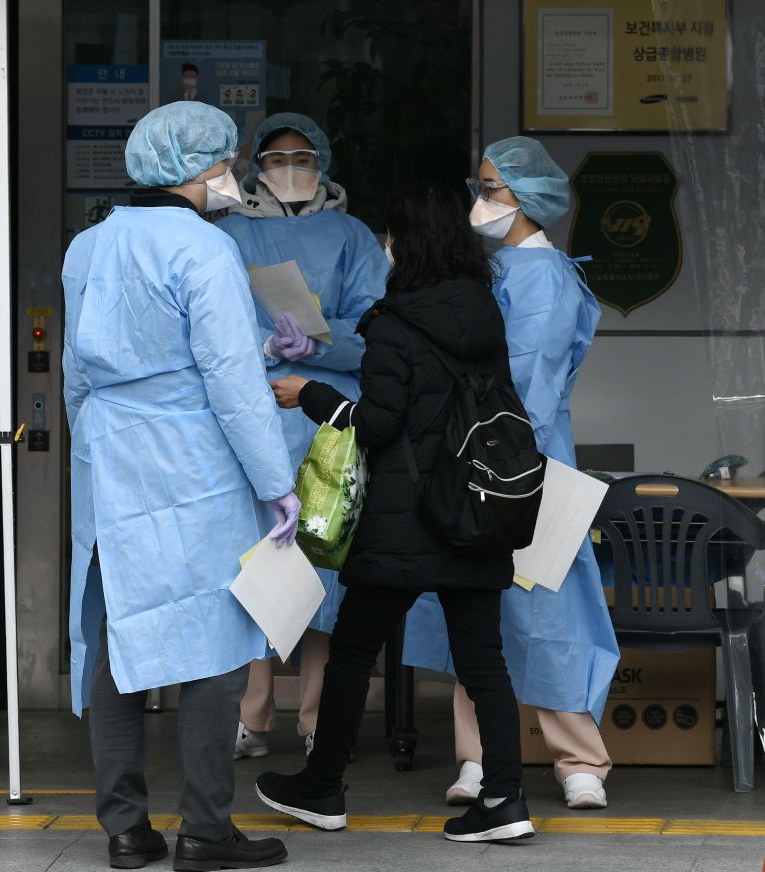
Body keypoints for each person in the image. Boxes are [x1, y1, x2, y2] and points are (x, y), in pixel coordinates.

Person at [254, 183, 535, 844]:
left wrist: (312, 394)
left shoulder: (395, 323)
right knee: (485, 661)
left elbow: (377, 425)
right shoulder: (484, 314)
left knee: (353, 652)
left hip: (405, 516)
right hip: (475, 509)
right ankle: (506, 800)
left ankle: (322, 788)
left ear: (404, 246)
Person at [63, 101, 300, 871]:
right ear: (204, 169)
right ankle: (206, 830)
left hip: (112, 454)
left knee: (120, 641)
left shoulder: (87, 246)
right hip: (194, 459)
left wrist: (95, 450)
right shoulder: (204, 249)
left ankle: (125, 830)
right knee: (218, 647)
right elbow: (232, 378)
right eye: (225, 160)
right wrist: (276, 481)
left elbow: (75, 375)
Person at [403, 136, 619, 810]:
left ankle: (579, 759)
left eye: (493, 187)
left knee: (544, 606)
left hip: (528, 463)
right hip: (477, 458)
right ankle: (478, 755)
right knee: (475, 606)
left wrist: (480, 436)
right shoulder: (492, 273)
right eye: (482, 184)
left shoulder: (547, 277)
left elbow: (532, 380)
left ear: (527, 200)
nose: (481, 198)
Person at [217, 112, 387, 759]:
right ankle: (252, 713)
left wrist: (319, 342)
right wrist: (260, 344)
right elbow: (207, 328)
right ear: (255, 165)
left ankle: (317, 716)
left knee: (325, 566)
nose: (290, 168)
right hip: (253, 421)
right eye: (278, 156)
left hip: (331, 423)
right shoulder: (228, 237)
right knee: (257, 569)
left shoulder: (351, 237)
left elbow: (376, 329)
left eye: (302, 156)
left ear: (323, 163)